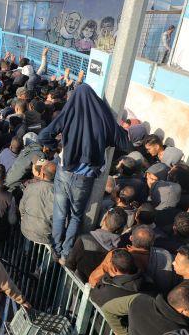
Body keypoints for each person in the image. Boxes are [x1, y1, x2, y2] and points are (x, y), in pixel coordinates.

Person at [38, 83, 129, 261]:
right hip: (85, 178)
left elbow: (43, 136)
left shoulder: (69, 113)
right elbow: (124, 142)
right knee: (76, 216)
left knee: (59, 213)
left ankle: (56, 249)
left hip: (64, 172)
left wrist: (56, 148)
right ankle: (66, 251)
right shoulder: (103, 118)